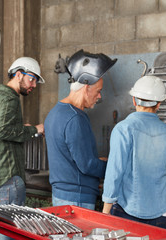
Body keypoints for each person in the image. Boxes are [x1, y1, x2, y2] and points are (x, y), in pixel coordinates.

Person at [102, 75, 166, 229]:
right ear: (158, 104)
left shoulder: (123, 129)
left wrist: (105, 213)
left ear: (134, 100)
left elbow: (114, 174)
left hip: (128, 210)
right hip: (162, 211)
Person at [0, 57, 45, 240]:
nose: (33, 85)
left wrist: (21, 127)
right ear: (18, 75)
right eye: (31, 79)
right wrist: (34, 130)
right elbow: (2, 131)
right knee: (9, 233)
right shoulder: (11, 100)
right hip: (7, 179)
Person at [44, 49, 117, 210]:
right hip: (76, 199)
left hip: (63, 196)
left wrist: (98, 161)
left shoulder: (55, 111)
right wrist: (113, 167)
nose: (99, 97)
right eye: (98, 91)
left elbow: (74, 156)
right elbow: (87, 165)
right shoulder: (75, 118)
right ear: (85, 86)